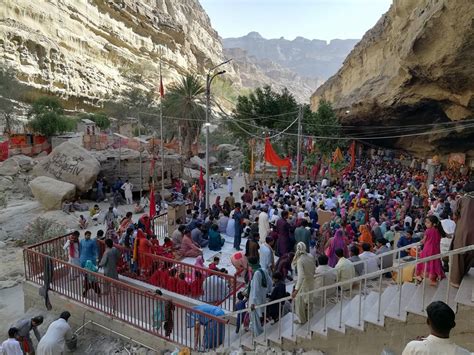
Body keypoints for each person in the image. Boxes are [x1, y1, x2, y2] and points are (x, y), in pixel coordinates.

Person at [402, 301, 470, 355]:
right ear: (452, 325)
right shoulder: (463, 353)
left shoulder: (413, 348)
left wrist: (416, 345)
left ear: (428, 321)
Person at [450, 182, 474, 288]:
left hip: (462, 229)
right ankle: (464, 273)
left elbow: (455, 215)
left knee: (458, 254)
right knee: (471, 253)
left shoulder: (463, 199)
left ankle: (456, 281)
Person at [415, 215, 446, 286]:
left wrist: (420, 242)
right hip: (436, 250)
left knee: (424, 263)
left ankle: (419, 276)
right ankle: (433, 279)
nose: (426, 224)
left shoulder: (428, 231)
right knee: (434, 263)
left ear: (434, 224)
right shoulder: (438, 230)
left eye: (428, 222)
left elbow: (423, 241)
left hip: (427, 250)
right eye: (425, 222)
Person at [291, 242, 316, 324]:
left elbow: (301, 276)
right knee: (309, 302)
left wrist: (296, 290)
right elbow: (314, 268)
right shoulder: (310, 256)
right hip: (311, 282)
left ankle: (302, 320)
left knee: (300, 303)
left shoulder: (300, 260)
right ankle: (310, 319)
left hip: (304, 284)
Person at [248, 256, 272, 337]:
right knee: (258, 315)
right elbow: (270, 282)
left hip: (255, 299)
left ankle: (257, 333)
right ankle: (257, 331)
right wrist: (267, 291)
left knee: (254, 316)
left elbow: (255, 289)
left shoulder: (256, 274)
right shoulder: (263, 270)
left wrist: (253, 302)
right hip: (262, 297)